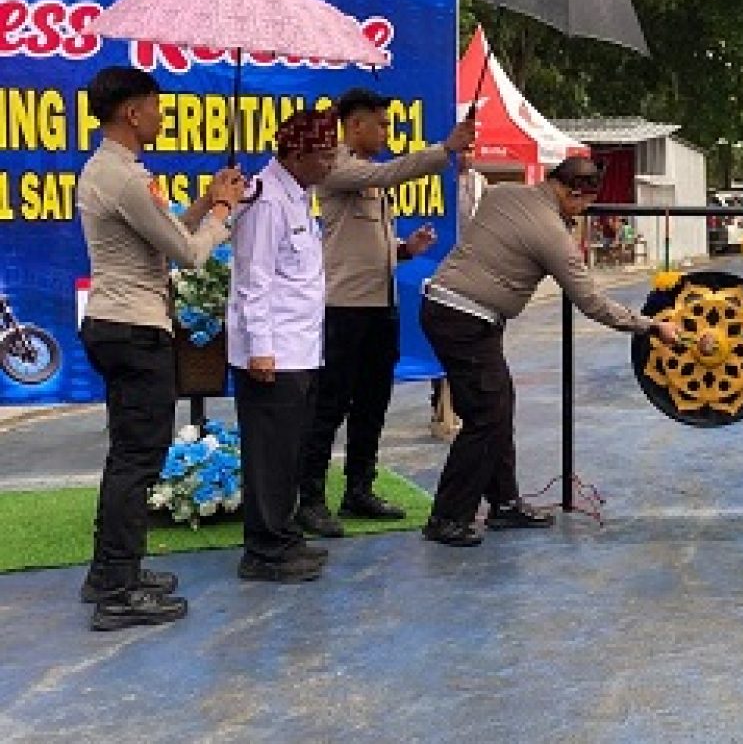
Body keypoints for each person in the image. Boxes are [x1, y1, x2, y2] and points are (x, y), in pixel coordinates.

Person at [418, 156, 683, 547]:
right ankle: (447, 518)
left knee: (497, 405)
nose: (584, 213)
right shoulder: (551, 234)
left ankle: (504, 503)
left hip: (451, 309)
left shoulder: (501, 193)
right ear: (573, 192)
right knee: (485, 418)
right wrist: (650, 326)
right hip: (464, 319)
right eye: (584, 205)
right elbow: (591, 302)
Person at [75, 66, 245, 630]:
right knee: (138, 458)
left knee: (128, 453)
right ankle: (118, 589)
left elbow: (168, 235)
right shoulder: (123, 178)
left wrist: (202, 204)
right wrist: (223, 211)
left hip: (114, 324)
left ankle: (110, 572)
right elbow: (192, 254)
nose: (161, 115)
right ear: (132, 112)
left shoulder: (110, 170)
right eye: (155, 105)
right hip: (134, 330)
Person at [294, 89, 474, 539]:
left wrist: (404, 250)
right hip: (344, 308)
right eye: (381, 124)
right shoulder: (336, 167)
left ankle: (359, 488)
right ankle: (309, 498)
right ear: (354, 125)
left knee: (373, 402)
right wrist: (445, 149)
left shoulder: (364, 174)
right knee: (330, 404)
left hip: (379, 304)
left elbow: (363, 244)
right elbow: (394, 172)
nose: (387, 133)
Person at [229, 108, 340, 583]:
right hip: (272, 352)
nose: (332, 162)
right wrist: (260, 348)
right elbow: (253, 281)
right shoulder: (267, 200)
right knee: (269, 454)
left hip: (300, 348)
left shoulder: (299, 196)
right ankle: (264, 550)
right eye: (325, 153)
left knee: (289, 450)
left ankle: (284, 535)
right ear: (297, 154)